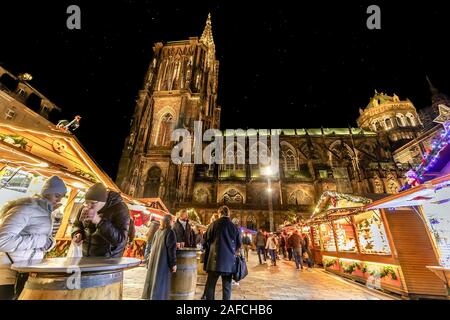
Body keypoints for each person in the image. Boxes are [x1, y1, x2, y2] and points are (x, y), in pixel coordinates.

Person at [0, 176, 67, 300]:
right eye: (57, 195)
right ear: (47, 192)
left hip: (26, 272)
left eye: (61, 197)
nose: (59, 200)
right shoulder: (25, 208)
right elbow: (2, 241)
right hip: (8, 273)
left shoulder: (47, 212)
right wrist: (41, 240)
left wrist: (50, 242)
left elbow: (43, 239)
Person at [71, 183, 130, 258]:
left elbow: (120, 239)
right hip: (85, 255)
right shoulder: (84, 207)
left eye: (93, 203)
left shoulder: (120, 208)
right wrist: (77, 233)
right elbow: (77, 224)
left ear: (103, 201)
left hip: (108, 259)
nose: (89, 206)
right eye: (86, 203)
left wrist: (99, 221)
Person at [204, 206, 242, 300]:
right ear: (228, 214)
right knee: (227, 287)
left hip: (214, 261)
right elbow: (239, 244)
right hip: (229, 262)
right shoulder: (234, 227)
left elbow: (205, 238)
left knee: (211, 286)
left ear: (220, 213)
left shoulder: (214, 224)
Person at [142, 214, 177, 300]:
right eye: (172, 221)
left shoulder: (158, 232)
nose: (173, 223)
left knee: (154, 280)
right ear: (169, 222)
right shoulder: (170, 232)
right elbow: (171, 250)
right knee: (162, 283)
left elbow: (153, 245)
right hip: (163, 262)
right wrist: (173, 264)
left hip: (155, 261)